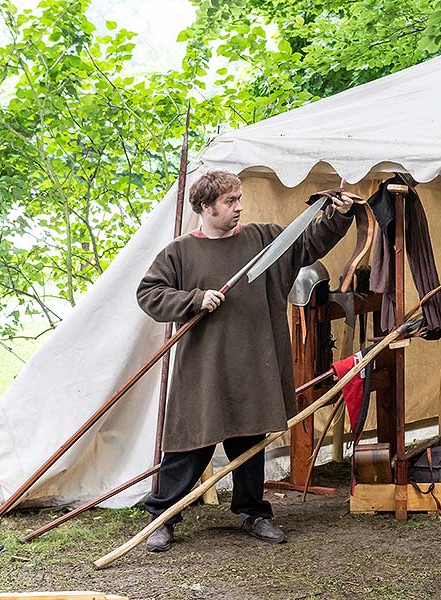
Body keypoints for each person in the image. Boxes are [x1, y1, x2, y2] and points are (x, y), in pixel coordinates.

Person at [136, 170, 356, 552]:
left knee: (250, 441)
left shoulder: (263, 239)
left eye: (239, 199)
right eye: (229, 202)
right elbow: (150, 293)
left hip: (254, 360)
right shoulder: (180, 252)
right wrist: (193, 300)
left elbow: (310, 243)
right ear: (206, 207)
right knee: (189, 443)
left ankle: (254, 513)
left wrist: (337, 216)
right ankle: (162, 516)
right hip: (203, 367)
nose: (239, 207)